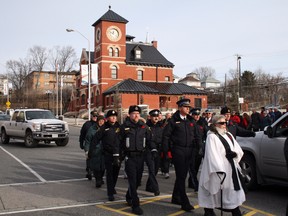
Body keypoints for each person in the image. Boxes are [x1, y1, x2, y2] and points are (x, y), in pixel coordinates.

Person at [198, 115, 245, 216]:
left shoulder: (228, 135)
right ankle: (209, 211)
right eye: (222, 123)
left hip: (231, 168)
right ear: (215, 125)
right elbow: (212, 155)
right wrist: (219, 170)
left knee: (231, 193)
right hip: (219, 170)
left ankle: (235, 212)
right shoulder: (212, 137)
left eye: (225, 123)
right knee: (213, 192)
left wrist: (235, 154)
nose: (224, 125)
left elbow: (237, 148)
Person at [162, 98, 200, 212]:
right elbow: (166, 137)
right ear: (180, 108)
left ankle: (175, 197)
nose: (188, 109)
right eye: (185, 107)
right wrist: (167, 152)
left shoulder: (190, 120)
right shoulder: (173, 121)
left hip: (190, 151)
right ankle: (184, 202)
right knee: (181, 176)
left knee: (182, 176)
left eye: (189, 107)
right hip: (178, 151)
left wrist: (199, 148)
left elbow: (197, 135)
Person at [119, 105, 157, 215]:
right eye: (133, 113)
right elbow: (118, 142)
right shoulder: (124, 127)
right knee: (132, 180)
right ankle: (135, 205)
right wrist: (117, 155)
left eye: (137, 114)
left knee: (137, 181)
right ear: (129, 115)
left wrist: (153, 149)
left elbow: (150, 140)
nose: (136, 116)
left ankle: (128, 195)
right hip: (129, 157)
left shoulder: (144, 127)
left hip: (141, 156)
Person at [96, 110, 121, 201]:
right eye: (111, 116)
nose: (114, 118)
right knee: (109, 174)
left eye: (115, 116)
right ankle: (110, 193)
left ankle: (112, 187)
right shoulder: (104, 127)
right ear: (107, 118)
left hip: (118, 154)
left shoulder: (120, 127)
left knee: (115, 173)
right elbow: (96, 139)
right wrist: (91, 151)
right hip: (108, 153)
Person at [188, 108, 209, 191]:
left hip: (199, 147)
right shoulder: (189, 122)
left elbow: (206, 132)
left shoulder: (202, 122)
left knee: (196, 166)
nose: (196, 116)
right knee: (192, 166)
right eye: (195, 115)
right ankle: (195, 183)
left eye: (198, 115)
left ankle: (191, 181)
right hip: (190, 147)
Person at [84, 115, 105, 188]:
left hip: (104, 151)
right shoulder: (92, 129)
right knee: (96, 167)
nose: (101, 122)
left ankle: (101, 177)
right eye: (100, 121)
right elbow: (88, 141)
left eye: (102, 121)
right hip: (95, 150)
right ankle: (98, 180)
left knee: (103, 167)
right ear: (97, 121)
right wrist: (87, 150)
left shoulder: (106, 129)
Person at [145, 109, 162, 196]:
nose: (156, 118)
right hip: (149, 150)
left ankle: (148, 185)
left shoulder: (160, 126)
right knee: (151, 169)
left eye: (157, 116)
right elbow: (147, 139)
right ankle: (156, 188)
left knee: (155, 170)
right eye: (154, 116)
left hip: (158, 150)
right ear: (150, 117)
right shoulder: (146, 126)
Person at [79, 110, 98, 180]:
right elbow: (82, 135)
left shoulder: (100, 124)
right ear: (91, 116)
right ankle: (89, 171)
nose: (95, 117)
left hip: (97, 144)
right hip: (89, 143)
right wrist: (81, 143)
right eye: (94, 116)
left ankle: (95, 171)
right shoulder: (87, 124)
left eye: (96, 116)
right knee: (89, 157)